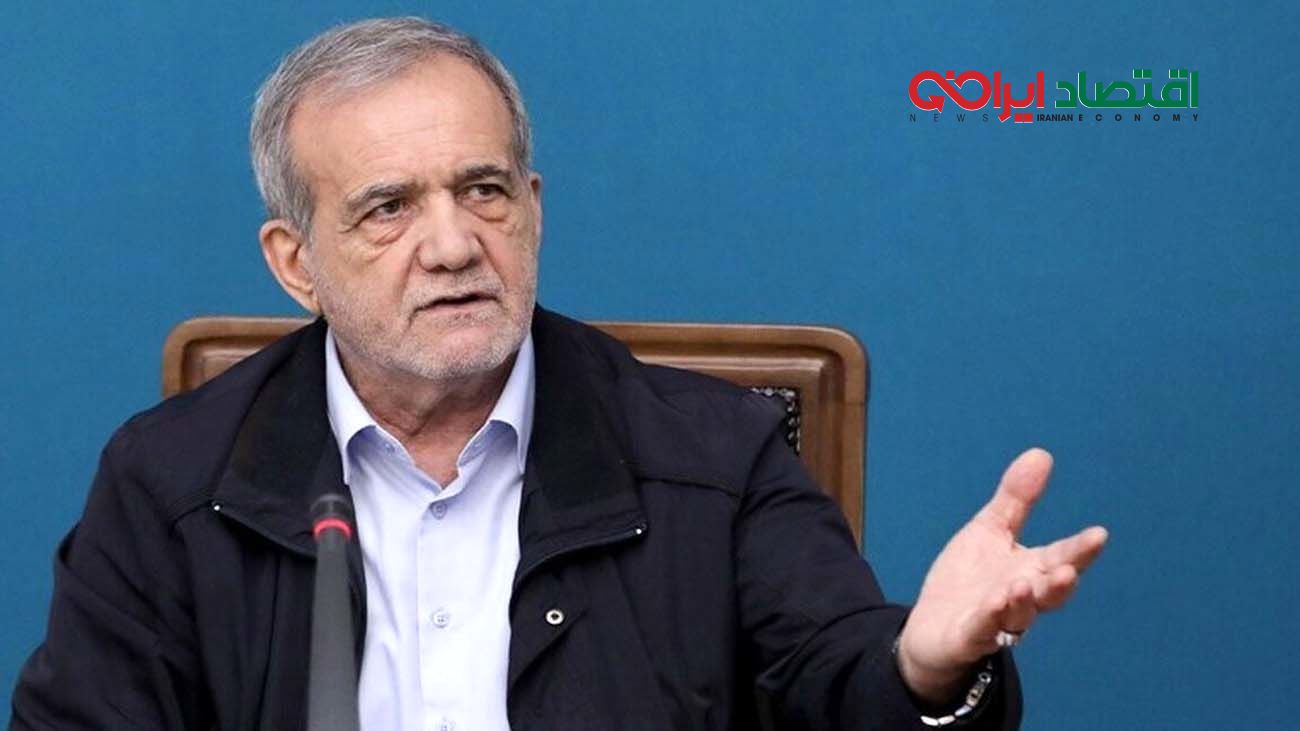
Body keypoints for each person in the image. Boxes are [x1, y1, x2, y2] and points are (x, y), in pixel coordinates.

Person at [11, 17, 1107, 730]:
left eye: (482, 190)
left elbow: (837, 685)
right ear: (296, 264)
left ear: (531, 209)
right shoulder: (168, 479)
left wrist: (923, 667)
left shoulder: (712, 453)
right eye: (389, 208)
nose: (453, 244)